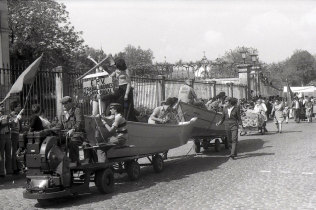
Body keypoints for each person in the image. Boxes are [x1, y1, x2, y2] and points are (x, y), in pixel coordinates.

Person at [54, 96, 85, 165]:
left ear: (70, 103)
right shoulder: (62, 114)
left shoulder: (77, 110)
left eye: (65, 103)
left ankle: (73, 162)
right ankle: (59, 163)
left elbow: (79, 123)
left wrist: (73, 129)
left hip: (78, 134)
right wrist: (53, 130)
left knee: (72, 142)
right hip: (66, 135)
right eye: (62, 104)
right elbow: (59, 125)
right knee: (54, 141)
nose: (63, 105)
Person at [9, 101, 24, 174]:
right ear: (14, 108)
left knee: (17, 151)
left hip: (17, 133)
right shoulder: (12, 115)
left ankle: (17, 166)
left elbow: (19, 126)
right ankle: (14, 168)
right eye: (18, 106)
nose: (20, 107)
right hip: (13, 134)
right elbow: (13, 124)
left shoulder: (17, 115)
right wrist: (18, 116)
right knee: (14, 151)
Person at [0, 105, 12, 177]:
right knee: (2, 155)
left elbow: (10, 126)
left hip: (7, 135)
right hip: (1, 135)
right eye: (1, 106)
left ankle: (9, 171)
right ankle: (1, 172)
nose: (3, 107)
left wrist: (10, 121)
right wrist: (7, 123)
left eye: (3, 106)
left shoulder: (5, 115)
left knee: (8, 153)